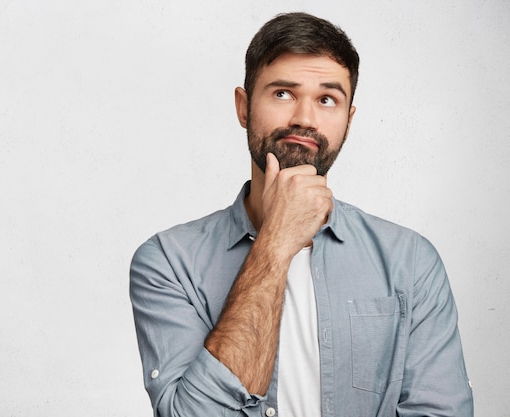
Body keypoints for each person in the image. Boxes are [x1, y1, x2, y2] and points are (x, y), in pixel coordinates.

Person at [130, 12, 474, 417]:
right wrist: (275, 243)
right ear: (243, 107)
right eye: (282, 93)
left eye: (327, 99)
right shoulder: (169, 262)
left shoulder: (411, 261)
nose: (305, 119)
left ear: (348, 120)